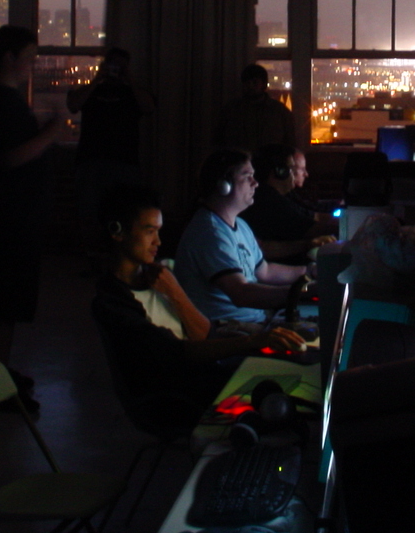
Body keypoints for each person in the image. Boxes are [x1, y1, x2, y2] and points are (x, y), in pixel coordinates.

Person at [91, 187, 303, 431]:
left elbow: (205, 334)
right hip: (176, 397)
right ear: (117, 231)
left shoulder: (159, 278)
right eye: (149, 231)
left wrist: (174, 291)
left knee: (288, 375)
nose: (158, 242)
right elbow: (178, 353)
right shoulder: (113, 304)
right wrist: (253, 341)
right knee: (281, 394)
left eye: (158, 231)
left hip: (201, 375)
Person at [0, 25, 68, 413]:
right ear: (10, 58)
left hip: (13, 217)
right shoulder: (0, 102)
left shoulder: (2, 100)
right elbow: (11, 157)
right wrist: (51, 133)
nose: (33, 64)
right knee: (3, 302)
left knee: (4, 302)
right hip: (9, 219)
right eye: (29, 57)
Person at [174, 149, 311, 327]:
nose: (255, 183)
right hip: (228, 331)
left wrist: (310, 272)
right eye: (247, 177)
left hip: (255, 322)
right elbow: (241, 293)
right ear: (224, 185)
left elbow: (266, 271)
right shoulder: (210, 232)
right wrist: (304, 292)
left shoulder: (240, 225)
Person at [67, 47, 155, 224]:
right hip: (91, 161)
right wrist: (96, 79)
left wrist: (130, 80)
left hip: (124, 161)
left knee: (125, 216)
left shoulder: (133, 93)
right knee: (89, 214)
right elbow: (73, 105)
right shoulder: (91, 91)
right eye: (112, 65)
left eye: (120, 67)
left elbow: (149, 107)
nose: (115, 70)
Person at [243, 144, 337, 264]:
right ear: (280, 172)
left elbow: (309, 215)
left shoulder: (282, 195)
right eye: (291, 168)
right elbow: (310, 228)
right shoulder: (270, 201)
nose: (296, 174)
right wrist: (349, 225)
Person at [213, 63, 295, 155]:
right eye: (247, 83)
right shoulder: (231, 110)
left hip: (267, 161)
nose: (250, 86)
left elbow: (290, 142)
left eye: (255, 82)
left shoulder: (279, 111)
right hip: (242, 160)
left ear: (263, 84)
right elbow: (219, 140)